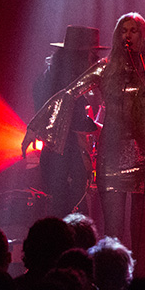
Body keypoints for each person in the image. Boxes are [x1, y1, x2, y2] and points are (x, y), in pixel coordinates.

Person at [23, 12, 145, 266]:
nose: (128, 35)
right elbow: (70, 93)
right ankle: (111, 282)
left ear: (143, 35)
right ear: (117, 36)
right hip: (112, 154)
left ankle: (142, 282)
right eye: (123, 30)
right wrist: (38, 126)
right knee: (113, 230)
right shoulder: (105, 68)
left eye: (134, 30)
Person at [32, 25, 106, 217]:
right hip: (68, 158)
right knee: (75, 216)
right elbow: (75, 122)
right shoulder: (67, 86)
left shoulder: (47, 78)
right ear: (80, 56)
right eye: (92, 55)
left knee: (58, 212)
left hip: (52, 156)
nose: (95, 61)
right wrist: (101, 128)